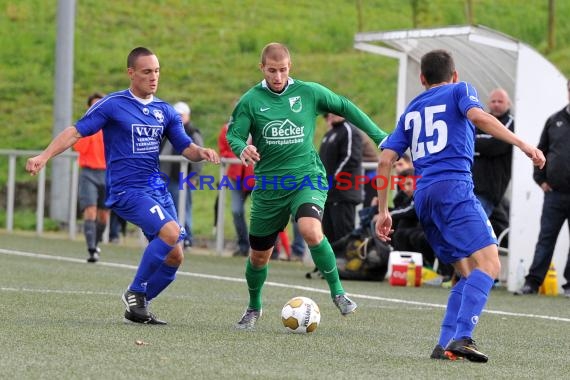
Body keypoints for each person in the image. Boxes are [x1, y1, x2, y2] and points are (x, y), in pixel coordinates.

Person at [26, 47, 220, 325]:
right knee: (171, 232)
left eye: (156, 71)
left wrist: (200, 151)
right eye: (146, 72)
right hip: (127, 189)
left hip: (156, 189)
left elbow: (184, 146)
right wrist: (44, 155)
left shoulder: (164, 110)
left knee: (175, 255)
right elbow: (75, 132)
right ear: (131, 73)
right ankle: (135, 291)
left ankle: (138, 307)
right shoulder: (113, 105)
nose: (154, 77)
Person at [375, 49, 545, 362]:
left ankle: (444, 344)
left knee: (467, 275)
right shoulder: (461, 90)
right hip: (454, 188)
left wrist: (383, 211)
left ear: (422, 78)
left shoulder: (411, 109)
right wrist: (523, 144)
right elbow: (479, 117)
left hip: (424, 198)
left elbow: (385, 159)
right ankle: (464, 336)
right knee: (490, 266)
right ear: (454, 75)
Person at [226, 42, 388, 329]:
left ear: (290, 67)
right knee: (259, 256)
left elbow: (345, 106)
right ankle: (254, 307)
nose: (278, 76)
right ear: (262, 68)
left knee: (310, 230)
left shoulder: (309, 92)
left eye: (283, 70)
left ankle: (338, 293)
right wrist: (242, 149)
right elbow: (234, 135)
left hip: (306, 177)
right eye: (272, 70)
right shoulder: (250, 100)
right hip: (270, 185)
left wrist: (378, 135)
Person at [515, 78, 570, 298]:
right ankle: (532, 283)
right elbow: (540, 152)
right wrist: (541, 180)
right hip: (554, 194)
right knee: (545, 239)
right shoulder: (554, 121)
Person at [160, 101, 204, 249]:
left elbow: (198, 156)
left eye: (181, 115)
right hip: (167, 177)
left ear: (187, 116)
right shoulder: (168, 130)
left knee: (184, 208)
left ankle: (187, 238)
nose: (178, 117)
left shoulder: (192, 132)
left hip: (184, 178)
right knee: (168, 208)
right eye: (176, 114)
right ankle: (172, 237)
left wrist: (193, 176)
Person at [73, 92, 109, 263]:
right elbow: (77, 147)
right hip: (89, 173)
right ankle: (91, 249)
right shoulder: (85, 126)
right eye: (94, 105)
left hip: (108, 173)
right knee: (90, 210)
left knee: (103, 215)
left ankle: (96, 241)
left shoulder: (112, 126)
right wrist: (89, 128)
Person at [319, 113, 363, 250]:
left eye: (335, 111)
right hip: (328, 194)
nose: (330, 115)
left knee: (343, 235)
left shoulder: (349, 131)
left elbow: (350, 158)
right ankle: (332, 269)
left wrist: (333, 180)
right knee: (329, 234)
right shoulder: (330, 133)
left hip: (343, 193)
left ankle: (345, 268)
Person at [472, 88, 514, 216]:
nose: (496, 104)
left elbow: (495, 144)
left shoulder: (511, 123)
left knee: (474, 227)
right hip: (470, 187)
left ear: (508, 104)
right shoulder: (480, 121)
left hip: (488, 190)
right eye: (493, 101)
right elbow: (464, 139)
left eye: (500, 101)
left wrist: (472, 146)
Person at [217, 122, 254, 257]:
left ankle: (270, 249)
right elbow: (223, 151)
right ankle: (243, 245)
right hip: (236, 176)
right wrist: (237, 156)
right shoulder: (227, 128)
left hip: (256, 176)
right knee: (236, 211)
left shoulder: (260, 125)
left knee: (264, 212)